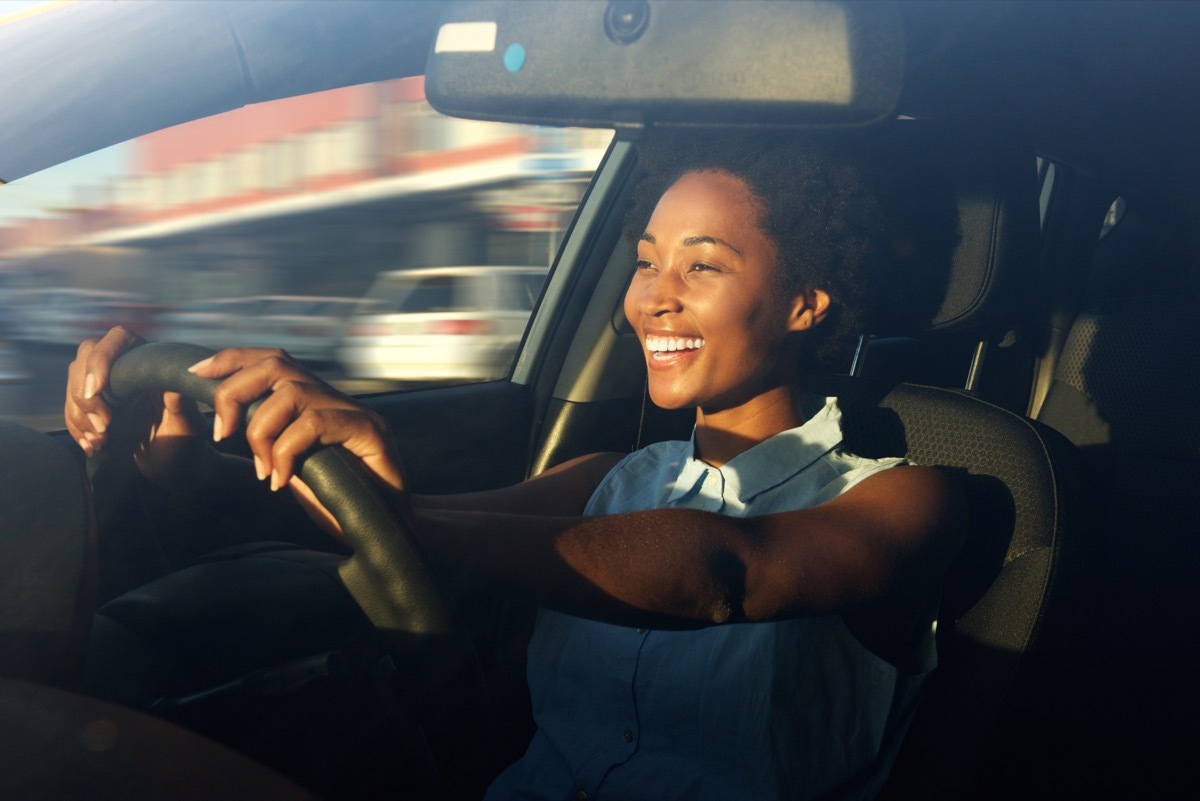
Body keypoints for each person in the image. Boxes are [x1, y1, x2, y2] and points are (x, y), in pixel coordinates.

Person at [64, 133, 966, 801]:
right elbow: (394, 535)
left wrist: (412, 524)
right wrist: (192, 472)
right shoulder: (613, 475)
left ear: (806, 304)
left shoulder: (901, 495)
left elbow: (727, 572)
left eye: (704, 265)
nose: (655, 295)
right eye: (647, 261)